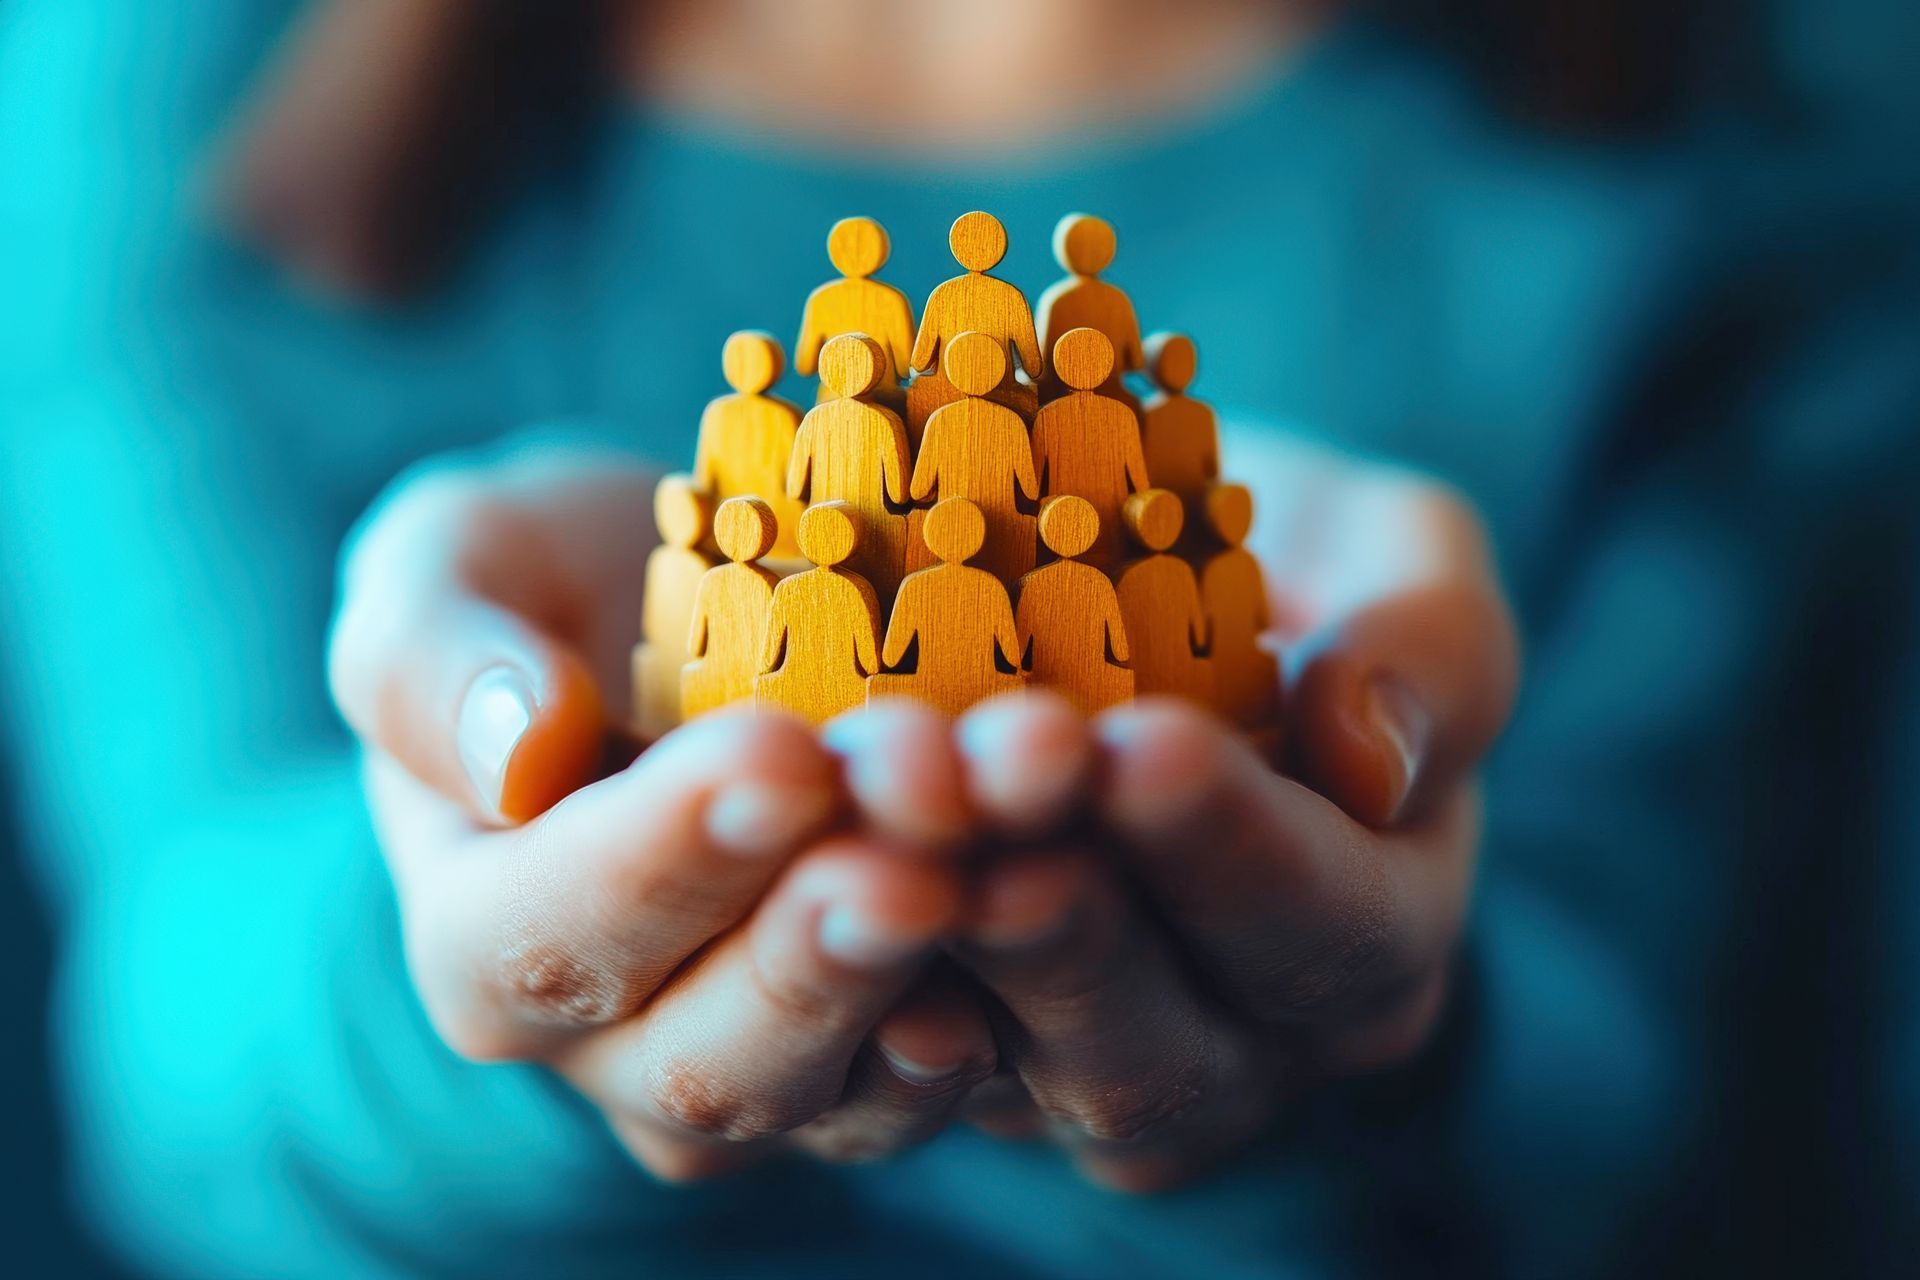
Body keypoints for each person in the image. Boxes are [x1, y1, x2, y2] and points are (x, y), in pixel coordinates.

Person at [3, 2, 1917, 1278]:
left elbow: (1655, 1091)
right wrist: (477, 969)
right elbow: (173, 1060)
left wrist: (1384, 1034)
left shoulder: (1779, 101)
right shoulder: (174, 66)